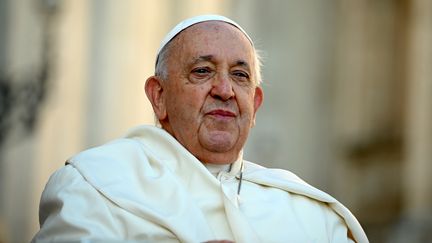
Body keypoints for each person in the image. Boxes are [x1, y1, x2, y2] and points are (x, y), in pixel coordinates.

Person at [33, 15, 369, 243]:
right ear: (159, 96)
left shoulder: (314, 215)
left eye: (240, 76)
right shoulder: (94, 186)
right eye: (203, 71)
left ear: (256, 105)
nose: (224, 89)